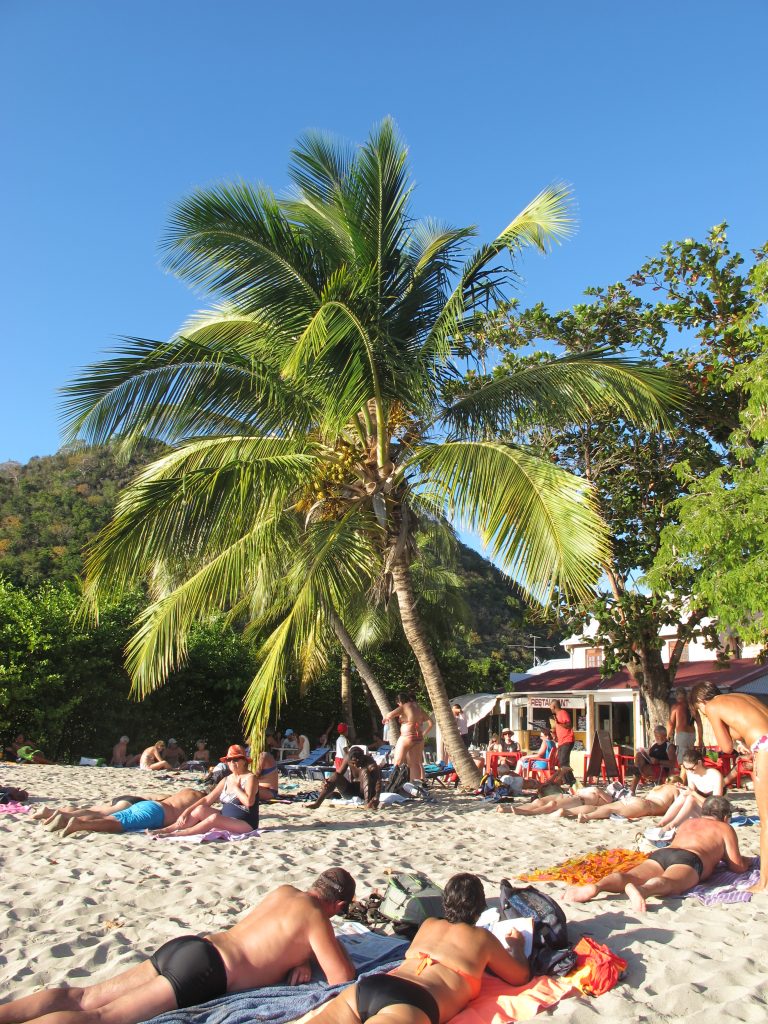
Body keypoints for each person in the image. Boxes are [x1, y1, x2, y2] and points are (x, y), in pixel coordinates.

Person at [0, 869, 356, 1024]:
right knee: (101, 1019)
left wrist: (306, 956)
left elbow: (281, 936)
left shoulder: (285, 891)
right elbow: (343, 978)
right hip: (204, 972)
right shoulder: (317, 919)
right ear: (339, 907)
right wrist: (316, 951)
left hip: (191, 947)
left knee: (83, 998)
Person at [306, 872, 529, 1024]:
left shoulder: (429, 924)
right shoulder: (482, 937)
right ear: (480, 908)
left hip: (372, 987)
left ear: (445, 903)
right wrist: (516, 947)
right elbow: (519, 976)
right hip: (413, 1002)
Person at [565, 796, 751, 911]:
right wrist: (747, 862)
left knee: (629, 875)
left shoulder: (689, 823)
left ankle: (597, 887)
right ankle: (643, 890)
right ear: (725, 817)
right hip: (690, 858)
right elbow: (737, 866)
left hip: (664, 853)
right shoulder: (724, 828)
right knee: (671, 882)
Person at [690, 682, 768, 893]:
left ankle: (764, 882)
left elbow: (724, 747)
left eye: (700, 711)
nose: (704, 715)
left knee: (766, 821)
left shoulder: (713, 706)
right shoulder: (742, 697)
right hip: (762, 742)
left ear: (700, 702)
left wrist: (736, 743)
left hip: (764, 746)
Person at [153, 745, 259, 837]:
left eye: (236, 759)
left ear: (244, 761)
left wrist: (236, 788)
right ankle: (167, 829)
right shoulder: (227, 779)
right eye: (229, 760)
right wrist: (186, 811)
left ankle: (178, 834)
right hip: (227, 817)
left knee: (214, 818)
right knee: (200, 809)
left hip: (245, 823)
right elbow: (207, 799)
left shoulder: (250, 778)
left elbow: (249, 802)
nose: (232, 762)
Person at [55, 789, 205, 838]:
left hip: (148, 804)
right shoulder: (201, 800)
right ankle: (79, 824)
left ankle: (70, 818)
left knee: (109, 816)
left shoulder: (186, 792)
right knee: (118, 824)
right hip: (157, 813)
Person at [309, 747, 382, 810]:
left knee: (364, 771)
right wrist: (328, 781)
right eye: (353, 763)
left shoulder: (370, 762)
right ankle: (317, 803)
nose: (355, 765)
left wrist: (377, 796)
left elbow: (378, 781)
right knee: (335, 775)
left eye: (357, 762)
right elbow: (338, 774)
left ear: (362, 758)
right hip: (351, 790)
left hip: (366, 792)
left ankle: (367, 803)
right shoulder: (348, 757)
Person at [383, 692, 433, 783]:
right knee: (415, 763)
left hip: (407, 737)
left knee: (397, 762)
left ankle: (393, 783)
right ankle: (415, 785)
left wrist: (386, 718)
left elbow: (390, 715)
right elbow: (430, 721)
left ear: (400, 702)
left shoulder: (405, 707)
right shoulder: (418, 708)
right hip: (418, 738)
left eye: (398, 703)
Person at [575, 781, 679, 823]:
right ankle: (586, 817)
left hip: (636, 799)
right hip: (646, 806)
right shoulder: (675, 790)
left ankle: (567, 812)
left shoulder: (658, 787)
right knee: (611, 811)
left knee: (601, 808)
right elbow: (678, 807)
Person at [498, 784, 614, 816]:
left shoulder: (593, 790)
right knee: (539, 802)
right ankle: (509, 809)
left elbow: (609, 801)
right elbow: (609, 800)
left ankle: (527, 812)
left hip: (575, 799)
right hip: (573, 798)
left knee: (550, 805)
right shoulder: (596, 791)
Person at [628, 726, 673, 794]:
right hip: (651, 766)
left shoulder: (669, 746)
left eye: (658, 735)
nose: (656, 737)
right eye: (655, 735)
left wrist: (658, 761)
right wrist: (645, 754)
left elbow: (672, 763)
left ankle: (632, 790)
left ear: (664, 735)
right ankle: (632, 790)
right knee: (639, 755)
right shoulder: (654, 744)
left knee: (638, 769)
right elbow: (649, 755)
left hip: (661, 769)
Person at [667, 688, 703, 761]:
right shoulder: (692, 707)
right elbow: (699, 724)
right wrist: (700, 739)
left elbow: (671, 724)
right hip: (692, 735)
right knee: (690, 758)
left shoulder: (676, 706)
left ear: (677, 696)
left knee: (682, 759)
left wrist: (668, 736)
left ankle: (683, 771)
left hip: (681, 735)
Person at [549, 700, 574, 771]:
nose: (550, 709)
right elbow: (560, 729)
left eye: (550, 707)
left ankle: (570, 781)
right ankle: (568, 780)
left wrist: (558, 723)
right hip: (561, 741)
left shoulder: (563, 713)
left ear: (554, 706)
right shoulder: (557, 715)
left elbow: (569, 725)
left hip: (567, 740)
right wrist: (554, 736)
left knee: (563, 762)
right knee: (561, 763)